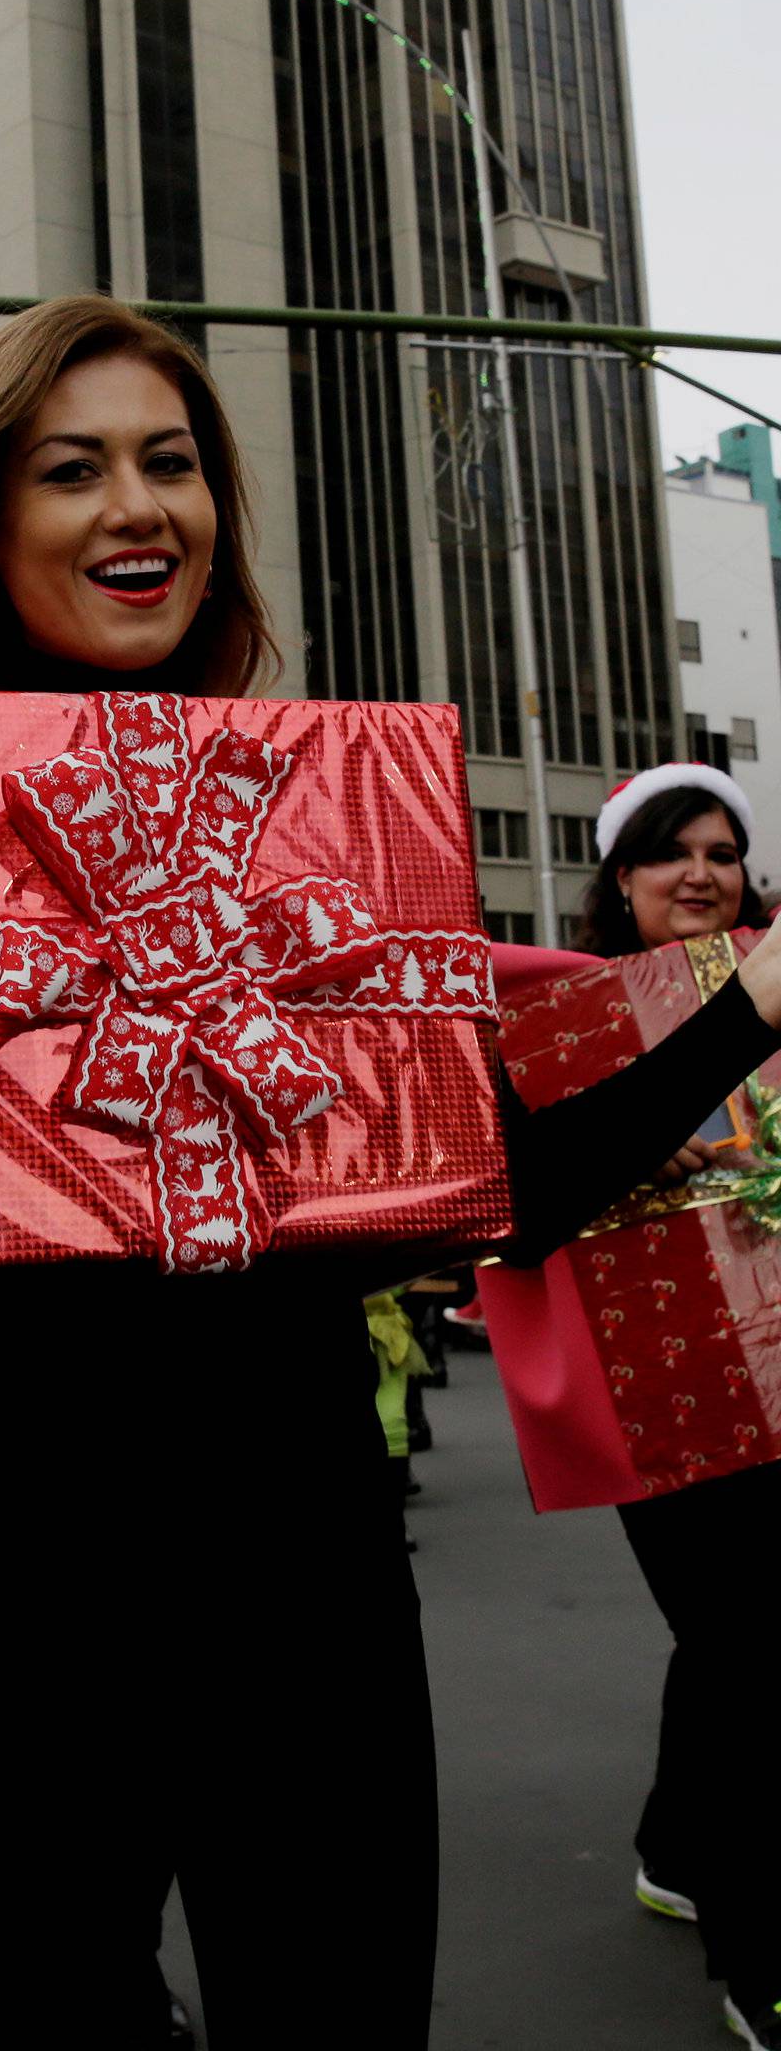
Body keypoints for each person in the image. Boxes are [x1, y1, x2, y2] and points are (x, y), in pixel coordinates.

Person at [0, 296, 781, 2047]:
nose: (136, 506)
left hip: (303, 1579)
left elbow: (485, 1187)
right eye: (74, 470)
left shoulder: (320, 803)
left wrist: (747, 1004)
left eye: (172, 464)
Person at [559, 765, 781, 2049]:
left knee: (736, 1641)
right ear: (621, 880)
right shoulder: (573, 1017)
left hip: (777, 1366)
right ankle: (762, 1960)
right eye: (668, 853)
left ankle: (676, 1845)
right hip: (657, 1380)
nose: (700, 872)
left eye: (722, 850)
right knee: (753, 1645)